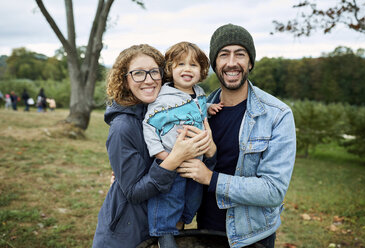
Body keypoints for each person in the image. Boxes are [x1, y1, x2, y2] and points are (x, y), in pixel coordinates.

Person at [177, 24, 297, 248]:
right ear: (215, 64)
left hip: (252, 236)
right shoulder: (197, 112)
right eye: (224, 55)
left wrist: (211, 178)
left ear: (250, 62)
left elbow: (273, 191)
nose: (232, 62)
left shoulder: (277, 115)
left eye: (240, 54)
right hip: (204, 230)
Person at [92, 44, 215, 248]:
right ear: (125, 79)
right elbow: (133, 192)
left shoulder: (160, 109)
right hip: (126, 235)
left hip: (161, 224)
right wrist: (173, 159)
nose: (148, 80)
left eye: (153, 72)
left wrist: (211, 152)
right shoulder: (122, 127)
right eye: (138, 73)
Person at [143, 41, 221, 247]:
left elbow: (197, 106)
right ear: (169, 69)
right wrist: (160, 154)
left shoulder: (200, 93)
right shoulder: (163, 99)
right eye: (180, 65)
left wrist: (210, 107)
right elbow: (149, 125)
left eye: (194, 65)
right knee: (168, 202)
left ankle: (179, 228)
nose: (187, 69)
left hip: (195, 163)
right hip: (172, 161)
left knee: (191, 201)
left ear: (202, 70)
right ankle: (165, 236)